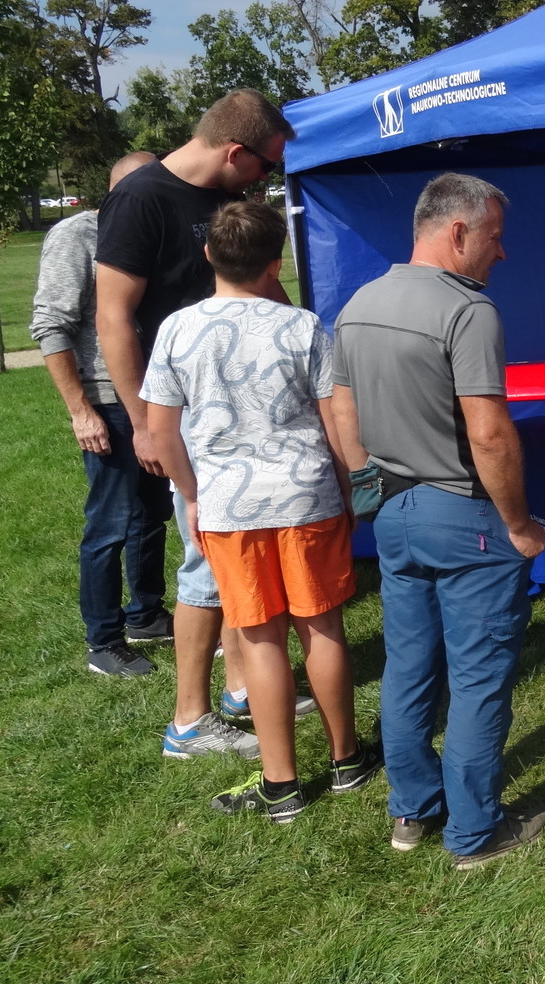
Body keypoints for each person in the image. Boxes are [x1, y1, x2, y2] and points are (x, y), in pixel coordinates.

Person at [332, 172, 545, 868]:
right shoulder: (468, 311)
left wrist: (367, 484)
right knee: (479, 678)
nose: (502, 252)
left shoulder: (359, 303)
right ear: (457, 232)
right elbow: (489, 433)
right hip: (463, 515)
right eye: (495, 236)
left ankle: (412, 810)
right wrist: (520, 524)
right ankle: (475, 833)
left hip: (393, 514)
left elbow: (340, 407)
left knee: (407, 669)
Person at [141, 202, 379, 822]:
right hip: (308, 499)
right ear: (276, 263)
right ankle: (347, 757)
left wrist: (193, 495)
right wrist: (350, 488)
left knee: (261, 637)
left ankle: (282, 784)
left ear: (208, 255)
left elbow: (162, 435)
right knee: (322, 628)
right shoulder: (304, 326)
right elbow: (336, 419)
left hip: (229, 507)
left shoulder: (176, 330)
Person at [95, 89, 294, 758]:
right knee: (208, 560)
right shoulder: (141, 199)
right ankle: (188, 721)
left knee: (239, 554)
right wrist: (145, 424)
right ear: (235, 152)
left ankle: (242, 686)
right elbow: (113, 317)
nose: (266, 179)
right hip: (184, 419)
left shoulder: (220, 199)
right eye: (266, 165)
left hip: (243, 412)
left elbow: (262, 286)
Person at [32, 151, 172, 676]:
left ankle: (146, 615)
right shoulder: (77, 235)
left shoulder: (151, 234)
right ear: (122, 193)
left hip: (152, 397)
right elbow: (50, 324)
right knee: (110, 523)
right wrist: (80, 409)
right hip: (106, 402)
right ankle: (103, 640)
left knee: (152, 515)